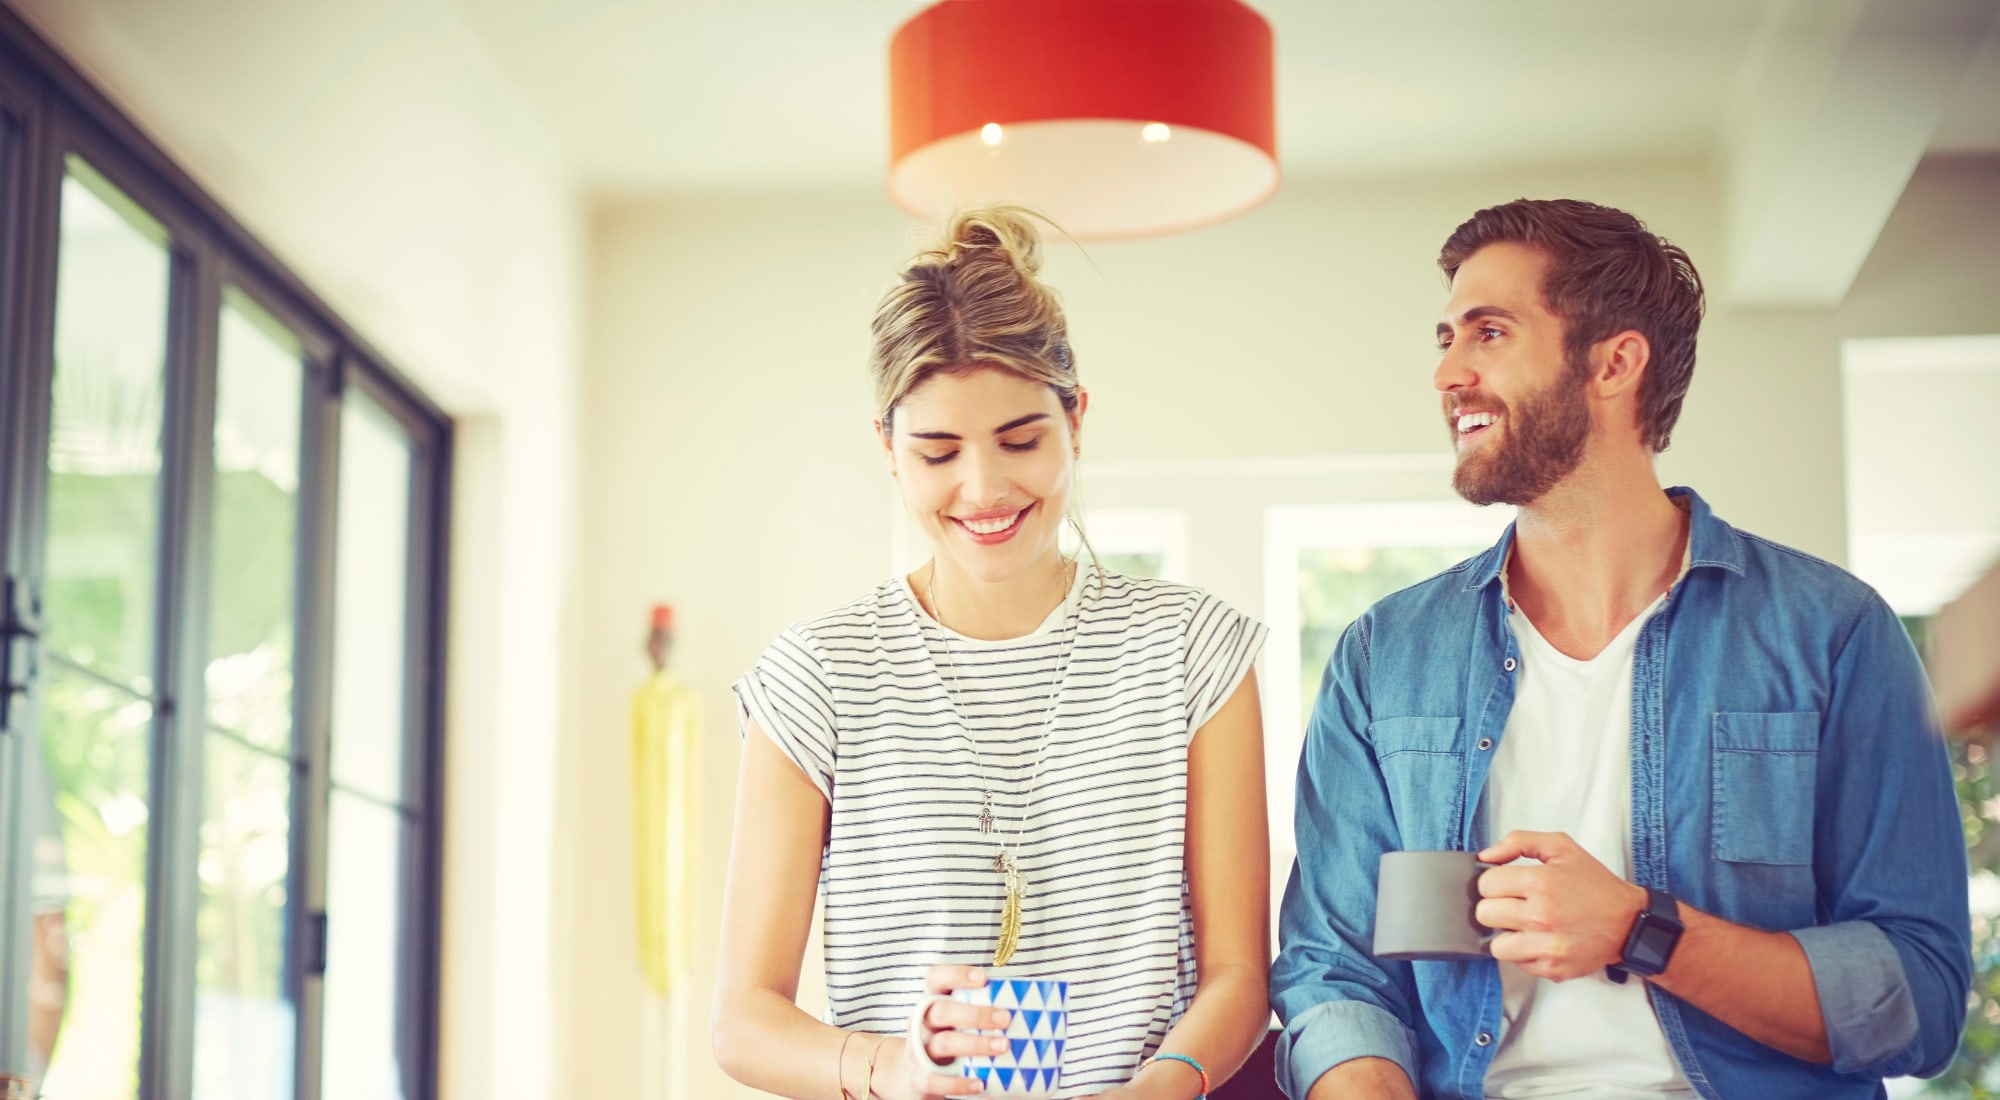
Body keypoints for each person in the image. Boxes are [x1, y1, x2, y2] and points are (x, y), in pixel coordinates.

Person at [1270, 198, 1972, 1099]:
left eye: (1489, 332)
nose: (1447, 371)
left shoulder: (1833, 633)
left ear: (1615, 362)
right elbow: (1335, 971)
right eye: (1445, 337)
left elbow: (1918, 996)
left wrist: (1645, 931)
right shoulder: (1384, 657)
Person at [713, 207, 1272, 1099]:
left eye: (1021, 441)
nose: (984, 488)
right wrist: (889, 1067)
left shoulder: (1191, 652)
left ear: (1076, 421)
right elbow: (743, 1020)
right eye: (937, 452)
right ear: (887, 452)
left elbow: (1240, 974)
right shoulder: (814, 680)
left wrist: (1156, 1088)